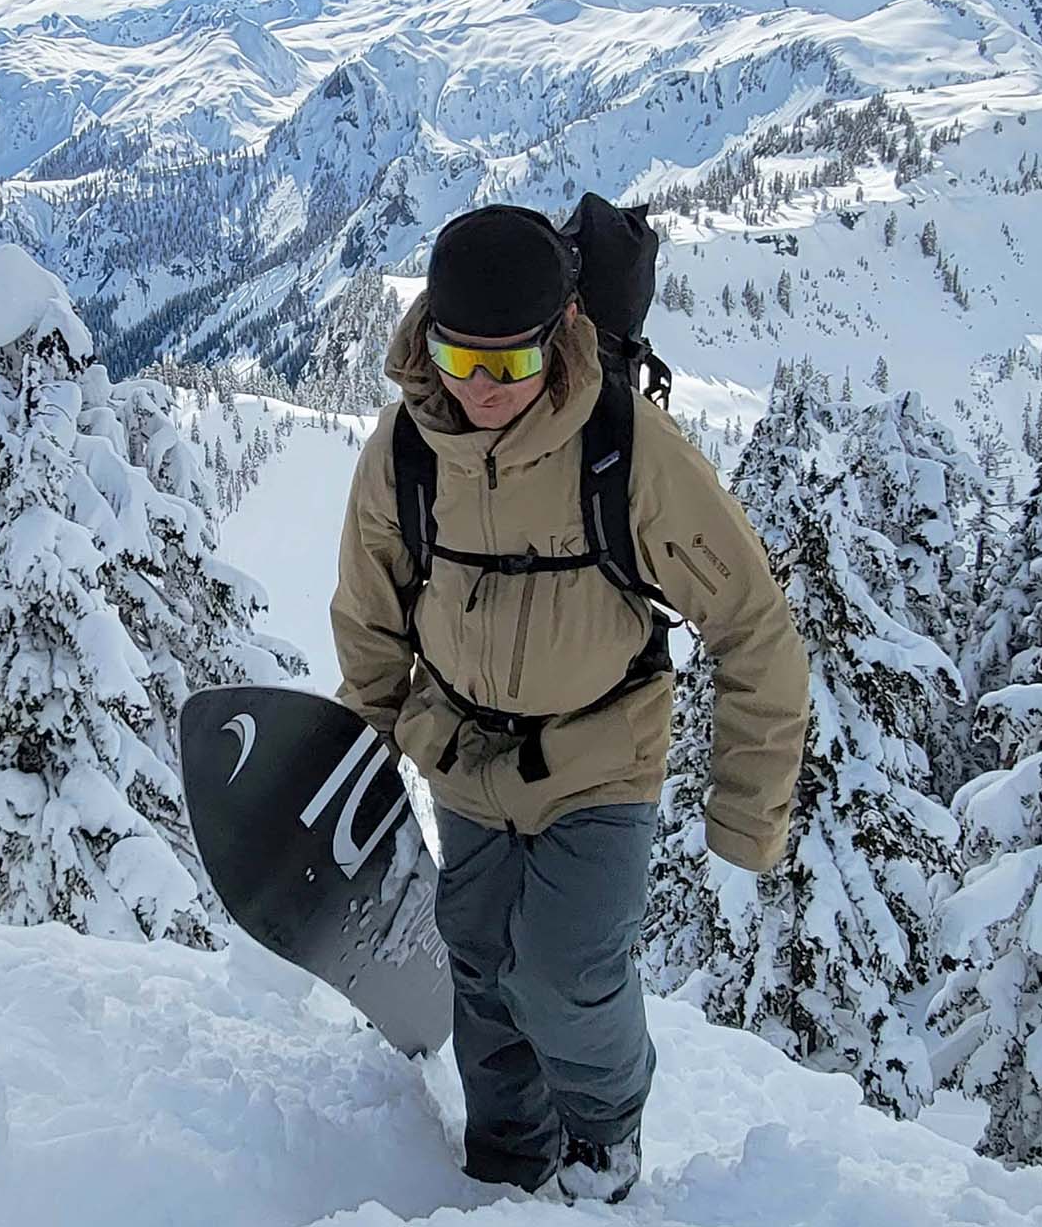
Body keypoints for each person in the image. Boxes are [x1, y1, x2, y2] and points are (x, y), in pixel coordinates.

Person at [329, 203, 809, 1204]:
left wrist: (748, 810)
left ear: (561, 338)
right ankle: (505, 1159)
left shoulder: (626, 450)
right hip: (462, 750)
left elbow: (750, 623)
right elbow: (371, 620)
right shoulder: (403, 453)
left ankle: (600, 1140)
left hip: (603, 751)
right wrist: (351, 758)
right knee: (479, 961)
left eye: (511, 365)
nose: (485, 389)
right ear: (429, 341)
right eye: (463, 361)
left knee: (563, 972)